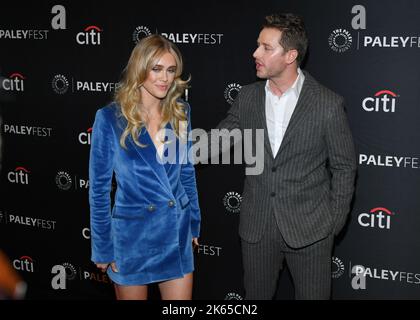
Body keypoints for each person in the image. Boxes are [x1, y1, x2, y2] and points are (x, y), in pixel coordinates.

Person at [207, 13, 357, 299]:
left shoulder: (327, 104)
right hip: (257, 228)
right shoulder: (248, 98)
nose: (255, 53)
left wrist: (332, 224)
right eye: (257, 45)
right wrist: (167, 150)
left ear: (290, 55)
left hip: (311, 230)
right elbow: (217, 141)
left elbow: (345, 167)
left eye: (266, 47)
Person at [89, 34, 201, 300]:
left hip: (176, 233)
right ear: (140, 70)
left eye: (171, 70)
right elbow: (99, 191)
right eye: (157, 69)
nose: (165, 78)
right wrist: (103, 247)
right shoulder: (110, 120)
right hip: (133, 240)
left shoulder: (180, 112)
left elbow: (186, 173)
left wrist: (194, 223)